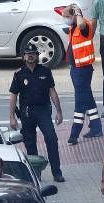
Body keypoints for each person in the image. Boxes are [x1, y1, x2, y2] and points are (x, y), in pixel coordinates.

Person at [9, 44, 66, 183]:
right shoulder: (19, 74)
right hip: (27, 112)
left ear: (37, 55)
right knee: (30, 144)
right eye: (28, 53)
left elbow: (52, 91)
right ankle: (36, 174)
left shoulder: (45, 71)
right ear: (24, 56)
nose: (30, 56)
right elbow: (13, 95)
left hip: (43, 111)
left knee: (51, 139)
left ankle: (57, 172)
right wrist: (12, 117)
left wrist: (59, 112)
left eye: (33, 53)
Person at [62, 4, 103, 145]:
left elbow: (81, 26)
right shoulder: (72, 27)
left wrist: (79, 12)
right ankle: (96, 127)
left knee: (79, 102)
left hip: (83, 70)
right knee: (88, 99)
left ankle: (75, 133)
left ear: (75, 15)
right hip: (76, 69)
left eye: (67, 16)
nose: (65, 19)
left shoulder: (83, 25)